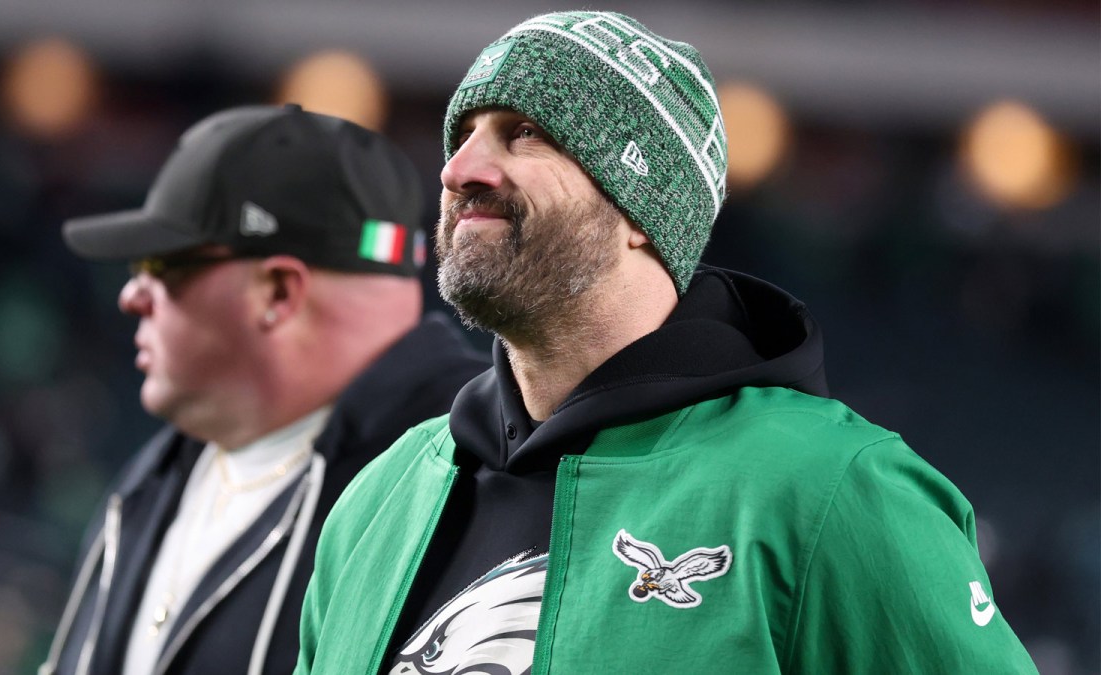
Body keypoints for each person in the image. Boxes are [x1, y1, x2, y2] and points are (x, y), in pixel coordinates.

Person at [295, 11, 1037, 674]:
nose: (458, 170)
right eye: (462, 137)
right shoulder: (383, 497)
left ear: (639, 205)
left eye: (524, 133)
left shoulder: (831, 492)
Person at [40, 104, 487, 675]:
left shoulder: (471, 478)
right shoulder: (157, 473)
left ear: (278, 291)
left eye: (163, 264)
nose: (132, 296)